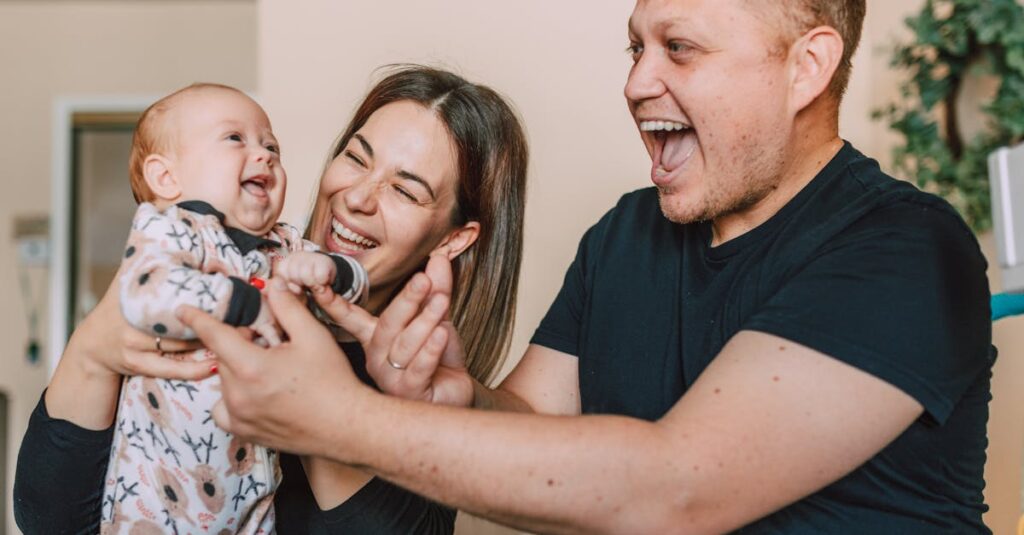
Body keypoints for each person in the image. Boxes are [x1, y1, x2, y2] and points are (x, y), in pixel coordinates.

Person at [175, 1, 994, 533]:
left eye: (679, 49)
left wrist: (335, 418)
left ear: (806, 68)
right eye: (635, 46)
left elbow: (676, 492)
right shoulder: (627, 235)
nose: (638, 82)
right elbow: (533, 424)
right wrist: (456, 400)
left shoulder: (905, 249)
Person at [14, 66, 528, 534]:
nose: (357, 198)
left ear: (451, 240)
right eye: (356, 157)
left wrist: (320, 403)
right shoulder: (188, 266)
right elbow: (47, 520)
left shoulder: (424, 391)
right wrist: (91, 352)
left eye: (406, 190)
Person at [101, 82, 370, 533]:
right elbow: (147, 294)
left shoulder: (283, 245)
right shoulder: (171, 231)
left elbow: (354, 291)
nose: (264, 155)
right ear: (167, 178)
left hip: (254, 489)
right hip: (160, 495)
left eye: (272, 146)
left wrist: (333, 272)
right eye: (235, 139)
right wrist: (242, 301)